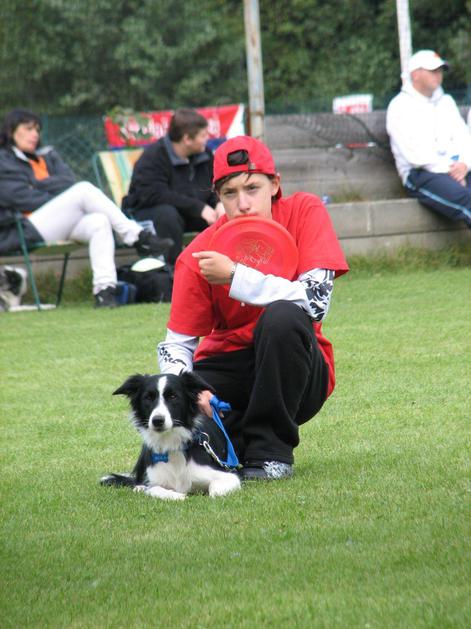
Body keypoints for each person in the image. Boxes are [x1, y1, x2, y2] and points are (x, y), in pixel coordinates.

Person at [156, 135, 349, 481]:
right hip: (228, 367)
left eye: (252, 188)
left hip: (296, 367)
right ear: (218, 197)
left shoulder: (304, 211)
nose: (243, 203)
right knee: (180, 445)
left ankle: (270, 454)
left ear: (274, 185)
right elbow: (176, 344)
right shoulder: (198, 255)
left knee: (283, 315)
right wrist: (189, 388)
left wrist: (234, 276)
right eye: (229, 193)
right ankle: (234, 441)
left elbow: (316, 301)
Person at [0, 109, 174, 307]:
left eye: (37, 130)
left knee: (99, 222)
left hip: (61, 222)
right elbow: (21, 198)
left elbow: (68, 181)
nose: (34, 134)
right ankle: (137, 236)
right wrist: (59, 194)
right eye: (28, 129)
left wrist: (37, 185)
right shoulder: (4, 160)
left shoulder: (47, 155)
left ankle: (104, 292)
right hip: (24, 227)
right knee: (83, 190)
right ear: (11, 131)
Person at [123, 108, 225, 266]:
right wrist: (198, 208)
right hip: (149, 213)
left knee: (223, 216)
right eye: (203, 135)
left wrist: (218, 202)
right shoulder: (153, 157)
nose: (207, 139)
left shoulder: (204, 155)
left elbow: (214, 183)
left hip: (188, 213)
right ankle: (172, 271)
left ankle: (222, 268)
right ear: (187, 139)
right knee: (167, 215)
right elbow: (154, 194)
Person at [386, 50, 471, 228]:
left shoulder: (446, 102)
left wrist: (464, 165)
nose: (438, 75)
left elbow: (463, 138)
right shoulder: (399, 107)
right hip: (420, 173)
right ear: (415, 74)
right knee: (467, 200)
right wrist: (451, 171)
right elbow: (415, 156)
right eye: (433, 71)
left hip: (457, 169)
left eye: (440, 71)